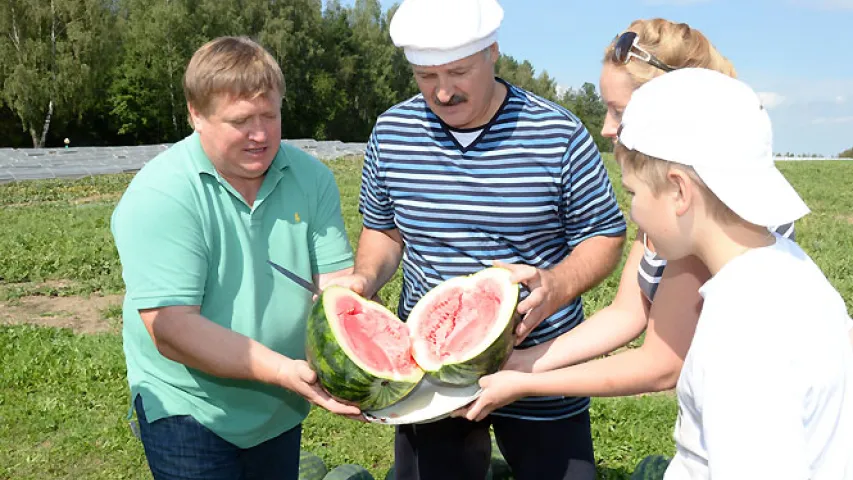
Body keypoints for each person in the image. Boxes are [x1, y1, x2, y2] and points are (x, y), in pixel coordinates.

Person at [465, 67, 853, 478]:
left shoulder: (743, 330)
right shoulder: (788, 270)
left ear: (679, 191)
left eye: (633, 192)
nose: (631, 211)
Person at [328, 0, 627, 478]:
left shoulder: (558, 132)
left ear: (492, 53)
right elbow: (383, 230)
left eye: (458, 72)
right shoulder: (392, 131)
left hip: (539, 356)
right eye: (426, 77)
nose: (443, 91)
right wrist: (366, 276)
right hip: (431, 372)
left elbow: (605, 235)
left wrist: (557, 284)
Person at [454, 19, 797, 408]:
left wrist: (524, 384)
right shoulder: (667, 202)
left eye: (618, 112)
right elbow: (626, 313)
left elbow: (660, 364)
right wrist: (520, 363)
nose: (605, 128)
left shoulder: (704, 211)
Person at [110, 36, 360, 480]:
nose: (261, 135)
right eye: (241, 121)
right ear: (196, 114)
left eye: (270, 115)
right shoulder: (161, 194)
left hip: (278, 407)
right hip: (188, 407)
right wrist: (284, 370)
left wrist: (368, 331)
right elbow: (171, 328)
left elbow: (336, 284)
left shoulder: (312, 178)